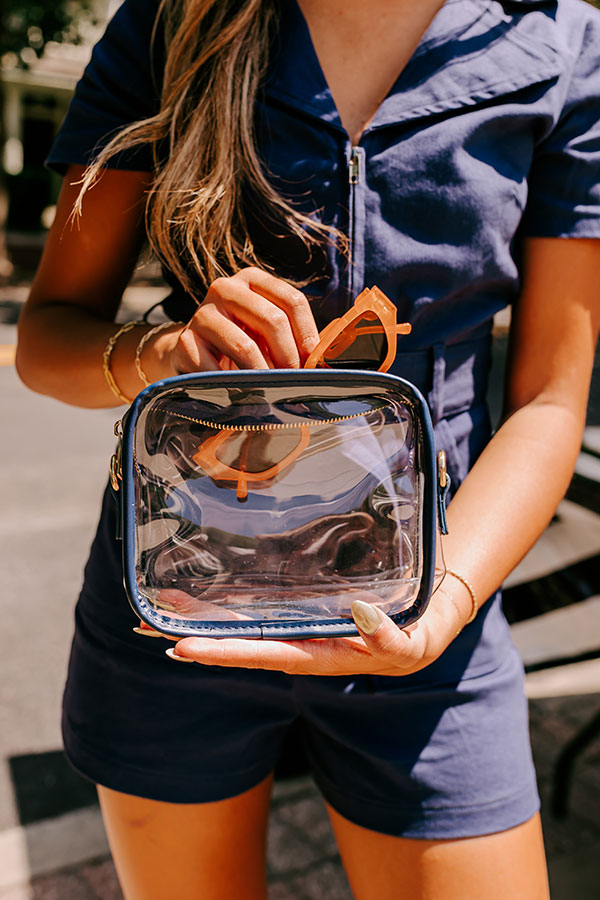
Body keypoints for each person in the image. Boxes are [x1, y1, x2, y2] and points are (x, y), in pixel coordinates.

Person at [15, 0, 600, 897]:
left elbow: (551, 403)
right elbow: (48, 340)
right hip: (177, 611)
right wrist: (165, 354)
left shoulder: (564, 41)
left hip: (429, 610)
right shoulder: (174, 20)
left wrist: (440, 608)